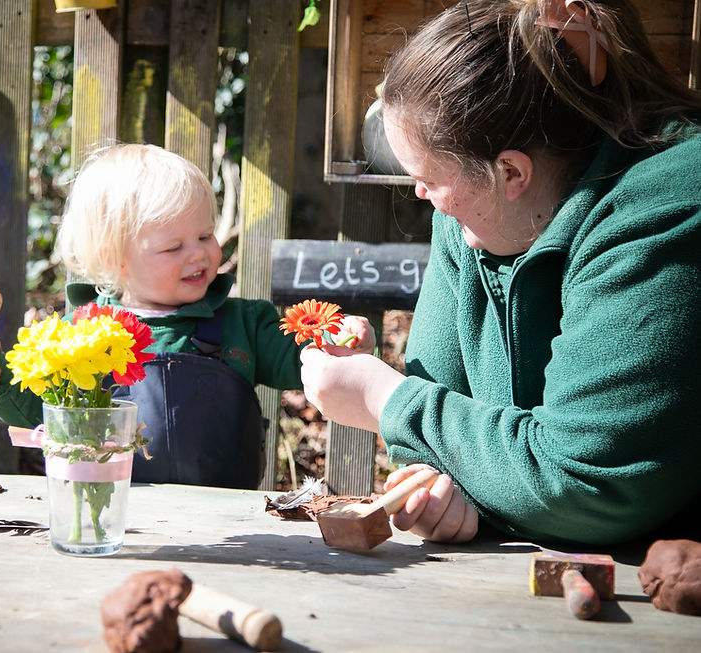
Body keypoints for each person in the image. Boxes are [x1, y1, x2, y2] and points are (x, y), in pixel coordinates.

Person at [300, 0, 701, 546]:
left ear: (511, 171)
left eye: (430, 178)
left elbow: (583, 482)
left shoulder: (664, 206)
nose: (421, 195)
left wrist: (381, 397)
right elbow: (437, 433)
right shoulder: (470, 208)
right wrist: (444, 485)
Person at [0, 143, 374, 489]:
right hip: (114, 514)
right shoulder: (80, 334)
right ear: (114, 260)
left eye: (206, 235)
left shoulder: (243, 324)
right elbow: (37, 412)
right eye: (173, 247)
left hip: (228, 524)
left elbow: (298, 360)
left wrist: (335, 338)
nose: (200, 254)